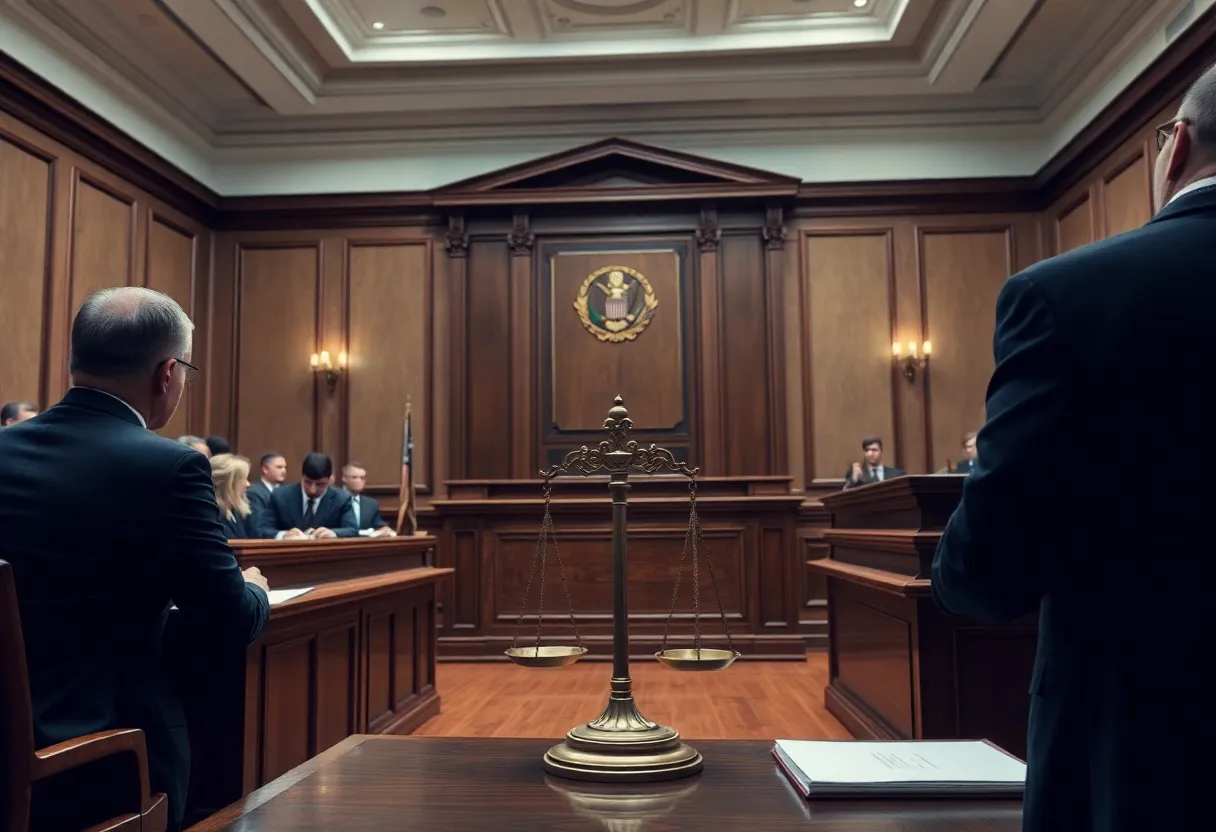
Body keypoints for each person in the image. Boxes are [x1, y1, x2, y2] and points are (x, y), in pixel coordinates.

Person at [931, 64, 1216, 832]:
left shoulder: (1071, 296)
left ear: (1175, 147)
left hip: (1142, 749)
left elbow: (986, 572)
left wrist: (953, 569)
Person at [0, 287, 270, 832]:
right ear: (167, 373)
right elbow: (229, 618)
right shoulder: (170, 467)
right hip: (109, 754)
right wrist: (256, 589)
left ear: (76, 358)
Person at [257, 451, 358, 539]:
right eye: (307, 482)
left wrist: (334, 533)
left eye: (320, 484)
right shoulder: (280, 496)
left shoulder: (341, 498)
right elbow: (263, 530)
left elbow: (352, 530)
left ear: (330, 479)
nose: (312, 490)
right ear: (302, 476)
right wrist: (283, 535)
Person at [340, 461, 396, 537]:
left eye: (362, 478)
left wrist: (384, 529)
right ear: (344, 478)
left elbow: (378, 525)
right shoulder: (333, 500)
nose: (359, 481)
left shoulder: (371, 504)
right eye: (354, 477)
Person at [211, 453, 254, 539]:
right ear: (227, 483)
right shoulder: (212, 514)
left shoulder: (236, 512)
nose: (248, 484)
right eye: (243, 479)